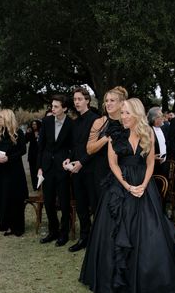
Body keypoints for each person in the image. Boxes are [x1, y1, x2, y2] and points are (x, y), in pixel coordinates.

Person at [80, 98, 175, 293]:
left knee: (150, 232)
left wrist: (143, 185)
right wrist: (127, 186)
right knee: (115, 232)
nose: (123, 116)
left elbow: (151, 163)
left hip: (145, 185)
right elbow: (113, 164)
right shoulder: (115, 133)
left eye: (127, 112)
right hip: (119, 186)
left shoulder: (148, 132)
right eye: (122, 113)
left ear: (137, 113)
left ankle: (149, 278)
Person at [63, 87, 99, 253]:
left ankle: (97, 239)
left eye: (79, 99)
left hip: (91, 170)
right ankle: (84, 237)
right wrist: (69, 158)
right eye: (75, 99)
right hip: (76, 170)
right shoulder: (75, 122)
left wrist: (82, 163)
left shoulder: (96, 119)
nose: (76, 102)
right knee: (82, 206)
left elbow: (95, 148)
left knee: (95, 205)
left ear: (87, 100)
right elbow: (74, 146)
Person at [37, 94, 73, 247]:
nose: (53, 108)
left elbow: (73, 147)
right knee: (48, 202)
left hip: (62, 168)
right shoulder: (46, 121)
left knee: (64, 203)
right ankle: (53, 231)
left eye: (56, 106)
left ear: (65, 108)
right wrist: (39, 167)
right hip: (47, 168)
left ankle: (64, 234)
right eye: (52, 106)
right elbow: (41, 146)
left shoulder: (72, 124)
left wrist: (69, 160)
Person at [86, 86, 128, 203]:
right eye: (106, 100)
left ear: (121, 103)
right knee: (103, 208)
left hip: (124, 171)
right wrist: (106, 138)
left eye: (112, 100)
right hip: (102, 172)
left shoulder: (128, 122)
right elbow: (89, 149)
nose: (108, 103)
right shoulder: (99, 122)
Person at [0, 109, 29, 236]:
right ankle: (8, 226)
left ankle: (18, 228)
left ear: (7, 118)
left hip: (15, 171)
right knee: (4, 199)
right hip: (0, 172)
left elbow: (23, 150)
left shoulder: (18, 133)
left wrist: (8, 158)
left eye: (0, 117)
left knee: (16, 199)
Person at [147, 106, 170, 177]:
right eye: (161, 116)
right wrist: (151, 157)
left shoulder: (164, 128)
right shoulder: (147, 130)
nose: (163, 118)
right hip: (153, 167)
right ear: (155, 118)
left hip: (164, 165)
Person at [25, 119, 42, 191]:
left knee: (40, 171)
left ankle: (40, 185)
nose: (34, 126)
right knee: (32, 171)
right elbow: (25, 141)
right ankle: (35, 186)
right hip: (32, 155)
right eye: (32, 124)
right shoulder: (30, 132)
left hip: (40, 155)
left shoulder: (42, 132)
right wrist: (27, 133)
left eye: (35, 124)